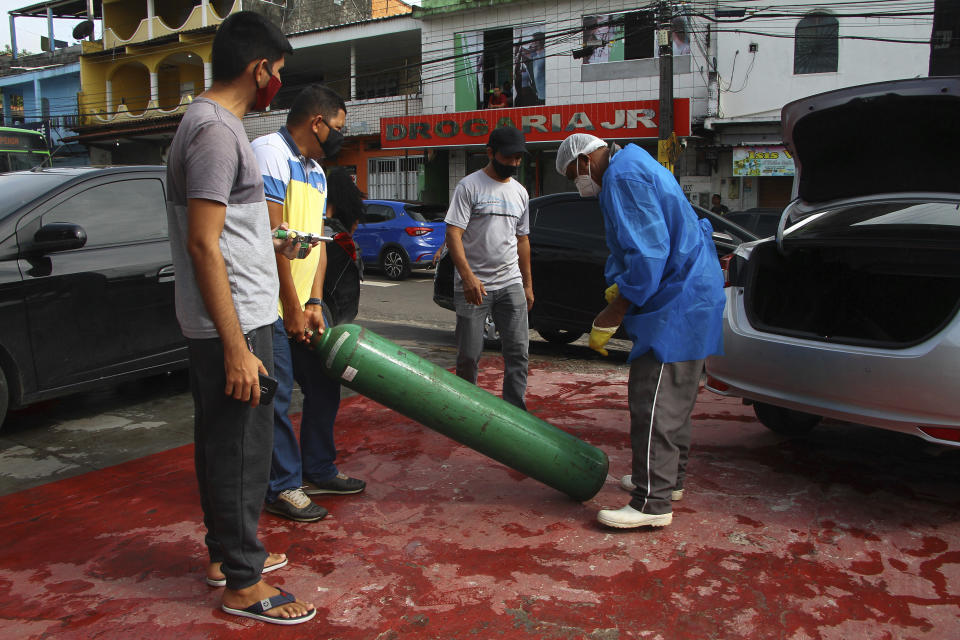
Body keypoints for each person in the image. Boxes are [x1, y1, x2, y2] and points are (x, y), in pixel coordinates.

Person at [165, 11, 316, 625]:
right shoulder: (215, 132)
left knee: (225, 446)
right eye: (277, 72)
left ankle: (228, 558)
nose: (276, 83)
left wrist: (269, 244)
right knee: (241, 453)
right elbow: (203, 243)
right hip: (236, 324)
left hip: (241, 314)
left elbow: (224, 232)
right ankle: (244, 586)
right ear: (260, 70)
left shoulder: (213, 129)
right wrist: (235, 346)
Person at [555, 133, 725, 530]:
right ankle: (668, 481)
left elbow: (648, 255)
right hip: (694, 296)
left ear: (584, 161)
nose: (579, 185)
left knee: (654, 402)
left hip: (676, 305)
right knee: (676, 402)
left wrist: (612, 311)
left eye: (572, 176)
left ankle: (652, 502)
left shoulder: (623, 177)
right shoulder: (635, 163)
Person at [251, 84, 366, 524]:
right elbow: (272, 238)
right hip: (269, 305)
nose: (340, 136)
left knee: (323, 384)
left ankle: (317, 469)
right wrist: (291, 305)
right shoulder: (269, 155)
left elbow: (316, 244)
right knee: (276, 396)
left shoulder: (315, 171)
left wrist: (314, 301)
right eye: (337, 127)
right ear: (316, 122)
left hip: (300, 303)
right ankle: (281, 487)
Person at [445, 126, 533, 409]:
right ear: (491, 153)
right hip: (474, 286)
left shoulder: (520, 193)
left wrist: (528, 284)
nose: (514, 164)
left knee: (519, 351)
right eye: (509, 157)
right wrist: (468, 277)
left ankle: (514, 411)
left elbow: (522, 240)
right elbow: (453, 234)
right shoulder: (468, 187)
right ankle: (466, 409)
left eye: (519, 158)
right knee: (469, 354)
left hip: (510, 282)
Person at [514, 32, 545, 106]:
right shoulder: (535, 55)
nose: (531, 43)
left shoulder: (543, 55)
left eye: (533, 41)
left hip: (545, 96)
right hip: (540, 96)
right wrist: (520, 41)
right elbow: (519, 52)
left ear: (537, 42)